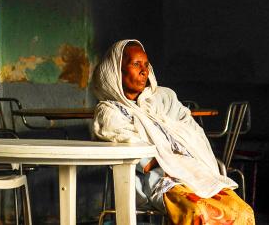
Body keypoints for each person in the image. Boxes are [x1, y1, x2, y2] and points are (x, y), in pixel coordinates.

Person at [93, 39, 255, 224]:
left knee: (242, 211)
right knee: (198, 213)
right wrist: (171, 164)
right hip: (157, 178)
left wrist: (186, 161)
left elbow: (191, 129)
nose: (144, 70)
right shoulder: (110, 112)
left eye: (146, 64)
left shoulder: (162, 97)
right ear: (116, 71)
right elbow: (137, 156)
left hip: (193, 171)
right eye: (136, 64)